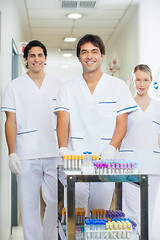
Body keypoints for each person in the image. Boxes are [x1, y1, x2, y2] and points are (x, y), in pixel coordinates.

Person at [54, 34, 137, 212]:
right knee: (76, 216)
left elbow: (122, 123)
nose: (89, 56)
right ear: (79, 57)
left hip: (105, 161)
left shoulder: (118, 86)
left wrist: (111, 148)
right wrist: (63, 148)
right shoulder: (67, 89)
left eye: (94, 51)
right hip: (76, 160)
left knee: (99, 213)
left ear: (102, 56)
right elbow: (63, 119)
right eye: (84, 52)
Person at [1, 40, 62, 240]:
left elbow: (65, 118)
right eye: (32, 56)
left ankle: (50, 237)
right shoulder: (14, 87)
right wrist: (12, 153)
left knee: (54, 202)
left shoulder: (59, 86)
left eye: (40, 55)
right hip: (26, 153)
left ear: (45, 58)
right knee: (28, 205)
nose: (36, 59)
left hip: (54, 152)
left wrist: (66, 147)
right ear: (26, 59)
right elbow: (10, 121)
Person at [119, 64, 160, 239]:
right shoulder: (125, 105)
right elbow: (119, 132)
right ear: (132, 80)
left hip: (152, 164)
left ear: (151, 81)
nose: (141, 84)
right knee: (130, 212)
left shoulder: (158, 106)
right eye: (138, 80)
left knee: (147, 211)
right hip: (129, 163)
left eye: (145, 80)